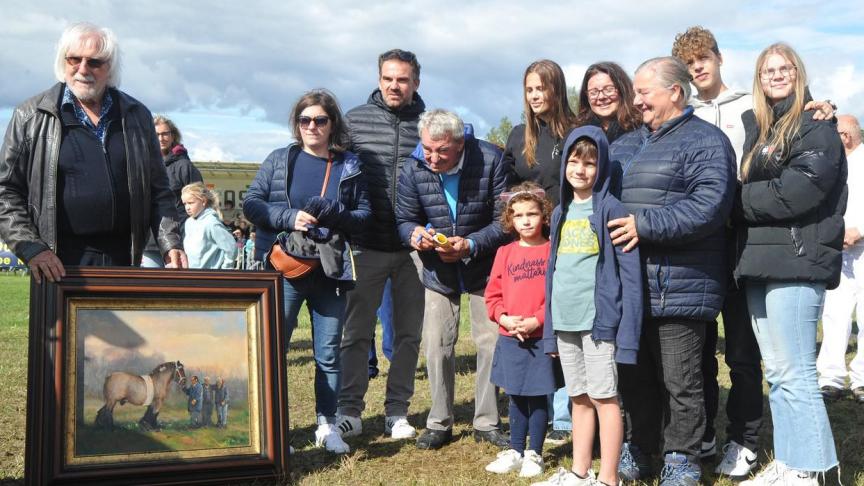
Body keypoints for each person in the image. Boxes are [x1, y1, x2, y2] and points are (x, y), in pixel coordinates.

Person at [608, 56, 736, 485]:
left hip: (681, 284)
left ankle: (683, 458)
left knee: (682, 381)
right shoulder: (625, 143)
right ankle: (643, 449)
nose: (637, 100)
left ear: (675, 92)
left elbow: (709, 207)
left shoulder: (707, 142)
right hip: (632, 285)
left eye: (645, 92)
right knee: (637, 375)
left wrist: (643, 225)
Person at [735, 43, 845, 485]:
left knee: (797, 371)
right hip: (761, 259)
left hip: (798, 260)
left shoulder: (817, 126)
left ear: (798, 74)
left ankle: (817, 469)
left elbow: (798, 191)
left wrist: (734, 200)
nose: (776, 76)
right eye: (767, 71)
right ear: (759, 79)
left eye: (784, 69)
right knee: (778, 372)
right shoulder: (763, 128)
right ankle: (791, 461)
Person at [0, 22, 186, 282]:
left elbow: (158, 189)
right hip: (54, 264)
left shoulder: (136, 116)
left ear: (110, 69)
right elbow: (5, 191)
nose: (83, 69)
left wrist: (170, 242)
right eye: (74, 59)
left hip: (124, 260)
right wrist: (31, 248)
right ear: (63, 62)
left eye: (94, 62)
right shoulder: (30, 115)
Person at [243, 89, 370, 454]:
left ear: (333, 124)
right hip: (284, 268)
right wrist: (287, 217)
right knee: (273, 349)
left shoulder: (350, 165)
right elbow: (252, 203)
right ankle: (270, 426)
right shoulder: (281, 160)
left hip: (329, 270)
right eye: (305, 120)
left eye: (320, 120)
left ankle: (327, 425)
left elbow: (364, 217)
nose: (312, 126)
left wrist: (336, 215)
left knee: (328, 352)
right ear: (296, 124)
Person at [533, 127, 643, 486]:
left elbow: (629, 276)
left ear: (603, 167)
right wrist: (550, 331)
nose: (580, 169)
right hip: (565, 321)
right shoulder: (560, 213)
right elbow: (553, 274)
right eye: (574, 160)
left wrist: (627, 331)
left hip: (598, 324)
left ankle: (608, 478)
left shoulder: (612, 208)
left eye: (590, 162)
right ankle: (581, 473)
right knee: (578, 398)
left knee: (604, 398)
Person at [396, 109, 510, 450]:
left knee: (490, 342)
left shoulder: (491, 159)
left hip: (483, 264)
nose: (432, 157)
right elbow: (404, 217)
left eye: (441, 151)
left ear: (460, 144)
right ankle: (439, 422)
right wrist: (415, 235)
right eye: (427, 148)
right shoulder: (413, 166)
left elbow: (504, 220)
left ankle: (487, 422)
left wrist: (472, 244)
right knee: (435, 343)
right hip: (436, 268)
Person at [335, 49, 426, 441]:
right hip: (364, 245)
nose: (394, 85)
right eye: (388, 78)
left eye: (402, 79)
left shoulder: (428, 124)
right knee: (355, 333)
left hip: (414, 248)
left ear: (415, 83)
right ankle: (349, 411)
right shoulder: (353, 121)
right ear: (378, 78)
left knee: (408, 335)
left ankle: (397, 412)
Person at [503, 59, 576, 444]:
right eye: (530, 89)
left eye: (542, 88)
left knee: (561, 320)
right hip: (531, 245)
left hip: (570, 241)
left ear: (556, 90)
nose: (535, 96)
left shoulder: (577, 131)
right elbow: (507, 188)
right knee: (533, 319)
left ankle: (564, 416)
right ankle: (534, 408)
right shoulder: (518, 136)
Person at [482, 182, 555, 479]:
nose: (526, 220)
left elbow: (555, 297)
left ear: (544, 216)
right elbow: (493, 295)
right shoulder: (504, 252)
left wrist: (537, 320)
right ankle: (514, 449)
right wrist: (505, 318)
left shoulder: (553, 250)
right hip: (510, 335)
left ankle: (534, 453)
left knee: (536, 396)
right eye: (519, 215)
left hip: (539, 336)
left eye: (532, 214)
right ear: (510, 219)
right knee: (514, 395)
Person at [817, 114, 864, 403]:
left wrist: (860, 231)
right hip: (838, 248)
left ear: (846, 135)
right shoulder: (834, 165)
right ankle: (831, 378)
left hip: (862, 245)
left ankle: (862, 380)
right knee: (834, 313)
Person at [142, 115, 204, 268]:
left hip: (179, 240)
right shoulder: (142, 163)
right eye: (156, 134)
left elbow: (200, 201)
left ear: (173, 135)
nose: (161, 138)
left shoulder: (184, 166)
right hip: (149, 242)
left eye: (165, 134)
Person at [574, 62, 642, 143]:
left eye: (609, 89)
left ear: (623, 90)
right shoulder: (577, 134)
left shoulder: (642, 128)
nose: (601, 97)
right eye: (594, 92)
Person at [181, 182, 236, 269]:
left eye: (191, 203)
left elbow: (230, 247)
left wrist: (225, 270)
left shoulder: (211, 223)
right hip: (192, 276)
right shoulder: (188, 222)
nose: (187, 207)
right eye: (185, 203)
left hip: (210, 278)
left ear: (203, 201)